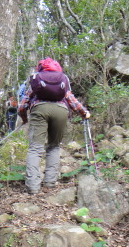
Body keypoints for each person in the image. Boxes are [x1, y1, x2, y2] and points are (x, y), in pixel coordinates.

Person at [18, 57, 90, 195]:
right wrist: (84, 113)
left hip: (39, 109)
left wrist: (24, 118)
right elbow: (71, 99)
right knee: (54, 146)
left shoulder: (36, 78)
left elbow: (23, 103)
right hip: (60, 111)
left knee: (35, 148)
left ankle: (33, 187)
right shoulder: (63, 79)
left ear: (40, 68)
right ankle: (50, 183)